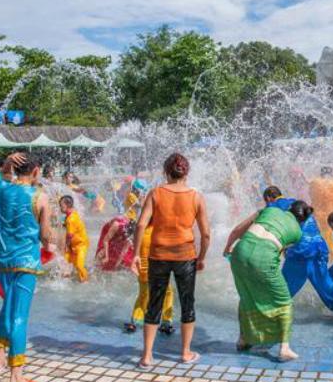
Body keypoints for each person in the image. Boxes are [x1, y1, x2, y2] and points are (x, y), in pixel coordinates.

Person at [132, 153, 211, 369]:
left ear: (166, 171)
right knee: (187, 303)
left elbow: (140, 225)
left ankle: (147, 356)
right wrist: (201, 258)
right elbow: (205, 234)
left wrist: (136, 254)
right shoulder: (196, 197)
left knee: (154, 303)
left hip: (158, 254)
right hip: (185, 256)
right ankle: (185, 353)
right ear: (187, 172)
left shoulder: (155, 193)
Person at [0, 152, 53, 382]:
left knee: (8, 308)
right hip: (25, 263)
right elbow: (45, 237)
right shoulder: (40, 196)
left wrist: (7, 162)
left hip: (2, 261)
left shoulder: (2, 190)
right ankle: (16, 381)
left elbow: (2, 176)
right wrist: (53, 237)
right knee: (19, 317)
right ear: (36, 171)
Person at [233, 186, 333, 319]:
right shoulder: (297, 202)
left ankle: (265, 317)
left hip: (300, 251)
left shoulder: (272, 207)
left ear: (268, 198)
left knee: (282, 290)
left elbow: (260, 231)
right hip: (319, 246)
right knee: (325, 285)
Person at [227, 200, 309, 361]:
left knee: (246, 296)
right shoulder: (298, 233)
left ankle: (243, 339)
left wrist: (227, 247)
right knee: (284, 301)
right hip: (263, 259)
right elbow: (278, 253)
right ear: (302, 220)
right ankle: (284, 348)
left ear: (289, 209)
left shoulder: (269, 210)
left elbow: (238, 230)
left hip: (239, 253)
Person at [308, 166, 333, 260]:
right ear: (331, 174)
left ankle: (318, 258)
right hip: (330, 216)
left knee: (317, 236)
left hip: (316, 215)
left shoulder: (314, 182)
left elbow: (310, 193)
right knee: (330, 239)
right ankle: (332, 260)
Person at [60, 195, 89, 282]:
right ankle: (66, 277)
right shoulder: (72, 214)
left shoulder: (71, 219)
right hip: (74, 245)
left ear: (67, 205)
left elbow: (69, 235)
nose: (60, 208)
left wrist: (66, 246)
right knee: (65, 262)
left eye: (61, 205)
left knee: (79, 266)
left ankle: (86, 281)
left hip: (81, 245)